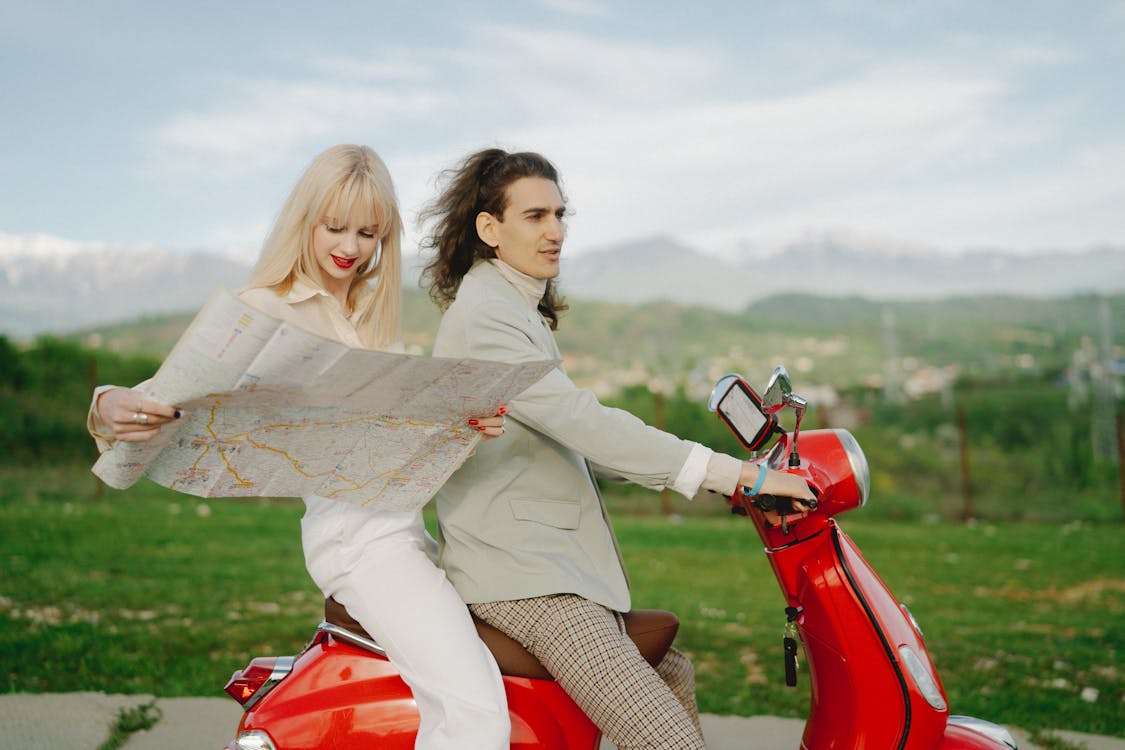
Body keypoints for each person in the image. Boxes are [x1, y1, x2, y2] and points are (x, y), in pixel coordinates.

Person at [87, 144, 511, 750]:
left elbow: (384, 443)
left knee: (450, 711)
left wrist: (461, 426)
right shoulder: (264, 311)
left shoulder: (370, 320)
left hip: (407, 535)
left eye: (368, 232)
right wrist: (106, 403)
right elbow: (156, 395)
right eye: (334, 226)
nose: (351, 245)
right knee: (479, 716)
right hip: (359, 547)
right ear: (303, 222)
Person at [420, 148, 816, 750]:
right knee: (667, 742)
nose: (555, 231)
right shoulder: (488, 318)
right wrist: (741, 477)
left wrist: (718, 476)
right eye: (535, 216)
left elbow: (587, 446)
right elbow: (588, 425)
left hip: (547, 569)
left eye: (560, 214)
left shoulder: (510, 306)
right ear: (489, 229)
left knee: (670, 670)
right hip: (526, 582)